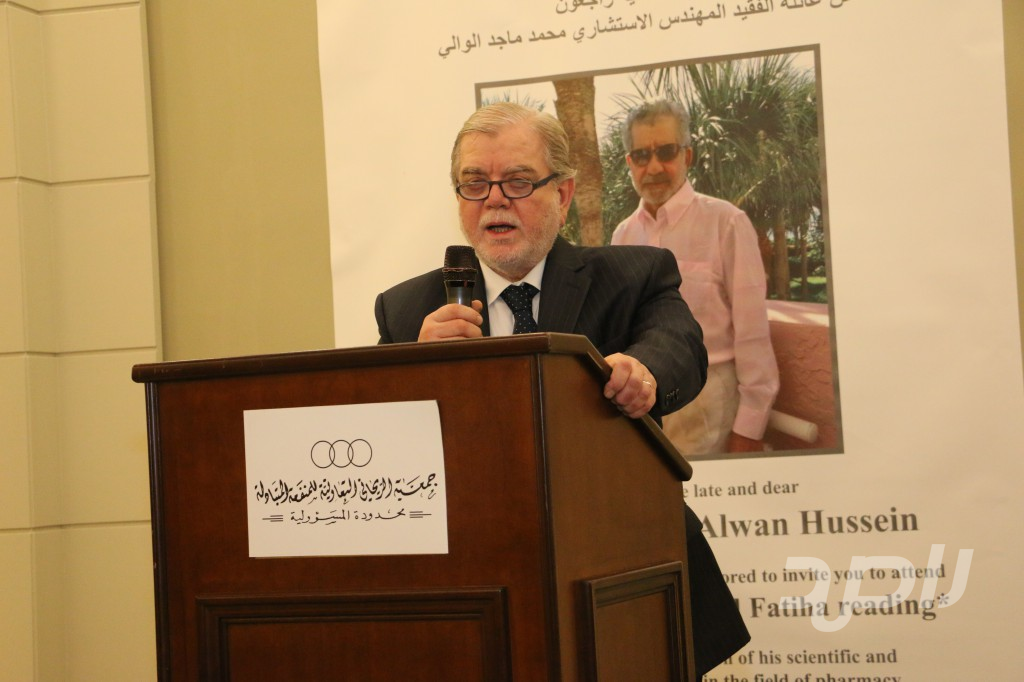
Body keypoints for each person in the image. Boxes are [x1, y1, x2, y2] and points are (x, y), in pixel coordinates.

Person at [374, 102, 749, 677]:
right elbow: (377, 442)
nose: (494, 199)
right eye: (474, 184)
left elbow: (678, 346)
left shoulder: (633, 275)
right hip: (475, 590)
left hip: (624, 575)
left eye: (518, 181)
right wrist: (416, 371)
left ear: (564, 194)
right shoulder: (407, 309)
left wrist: (643, 373)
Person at [613, 99, 780, 456]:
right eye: (641, 155)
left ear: (687, 156)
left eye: (666, 152)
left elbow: (752, 333)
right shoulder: (623, 236)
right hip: (642, 410)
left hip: (710, 407)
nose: (653, 167)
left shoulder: (726, 223)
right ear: (629, 163)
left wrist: (749, 427)